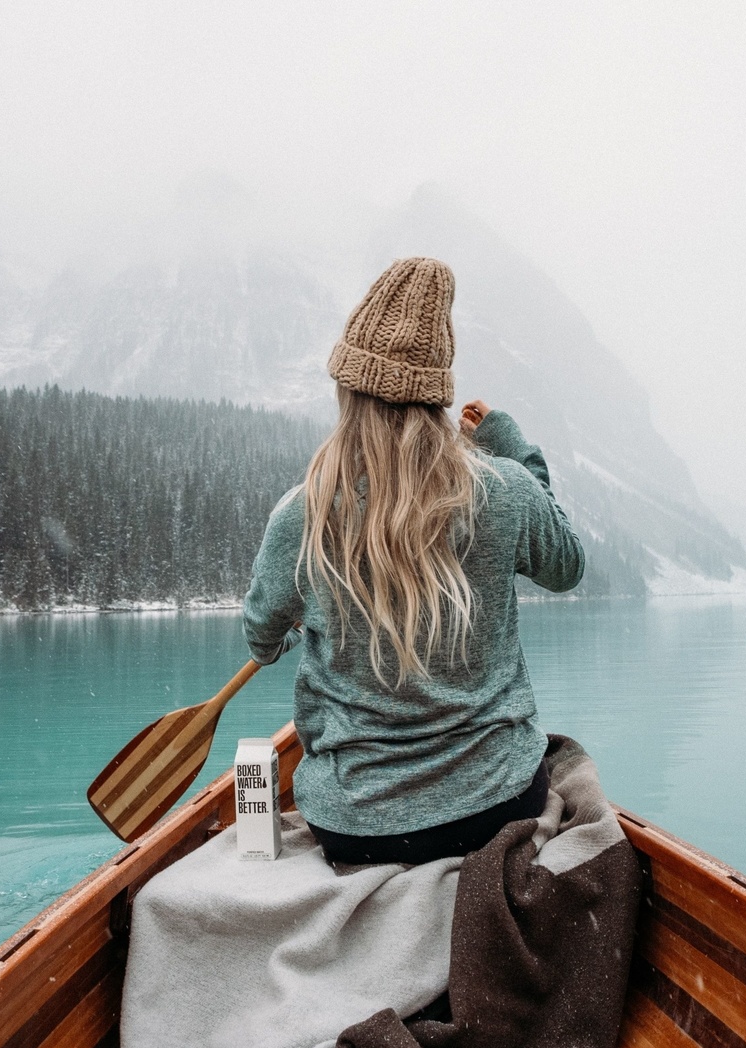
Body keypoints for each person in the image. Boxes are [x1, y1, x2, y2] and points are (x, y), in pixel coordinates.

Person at [242, 256, 585, 865]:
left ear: (349, 391)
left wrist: (290, 633)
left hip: (355, 825)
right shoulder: (502, 489)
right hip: (498, 805)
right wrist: (514, 451)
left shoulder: (303, 514)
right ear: (434, 401)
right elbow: (567, 566)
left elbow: (260, 635)